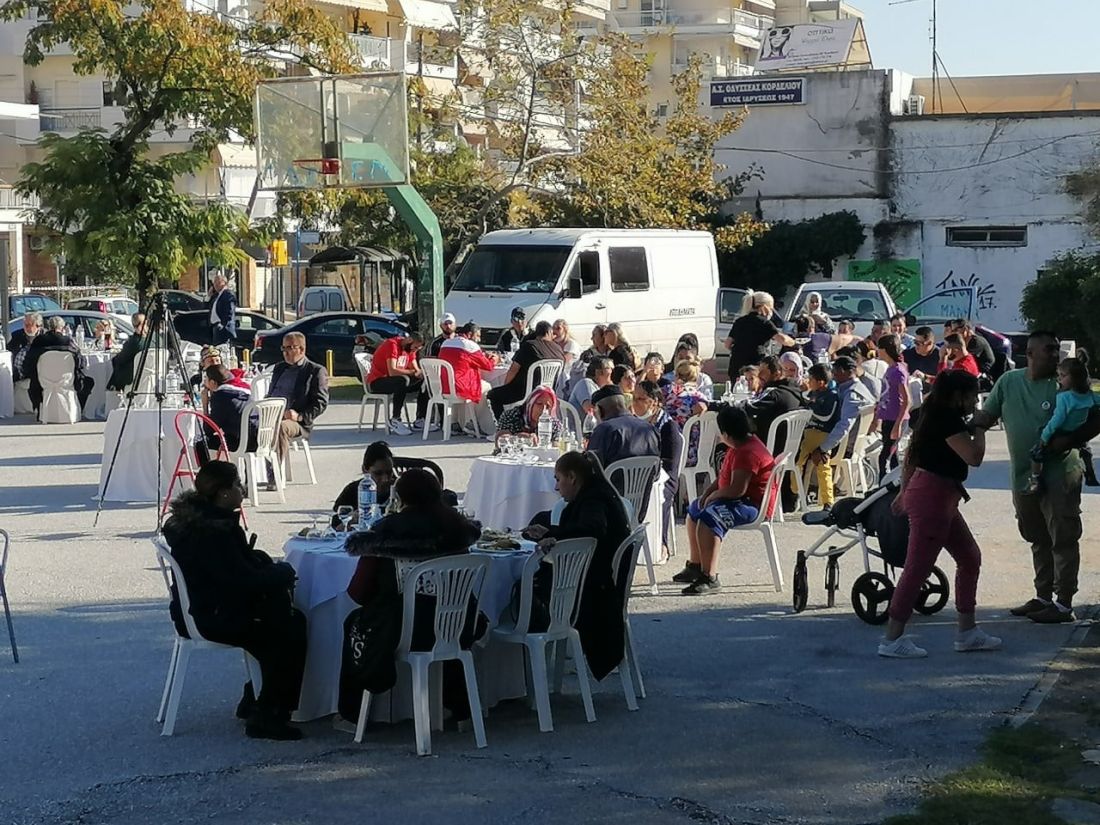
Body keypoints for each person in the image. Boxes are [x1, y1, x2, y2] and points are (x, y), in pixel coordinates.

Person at [162, 461, 307, 740]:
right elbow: (242, 580)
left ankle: (255, 698)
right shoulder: (214, 532)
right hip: (214, 615)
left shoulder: (200, 520)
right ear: (224, 492)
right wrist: (283, 573)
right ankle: (270, 712)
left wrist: (263, 565)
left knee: (280, 618)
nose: (242, 490)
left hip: (197, 607)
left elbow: (236, 567)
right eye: (237, 485)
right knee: (290, 626)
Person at [973, 331, 1100, 624]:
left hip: (1061, 473)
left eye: (1057, 350)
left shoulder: (1066, 385)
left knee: (1063, 536)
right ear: (1029, 353)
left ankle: (1064, 603)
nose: (1056, 356)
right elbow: (987, 415)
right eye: (1049, 350)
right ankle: (1043, 596)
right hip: (1023, 473)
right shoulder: (1009, 382)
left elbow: (1097, 415)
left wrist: (1070, 439)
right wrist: (962, 425)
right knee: (1036, 535)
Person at [341, 470, 483, 721]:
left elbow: (358, 593)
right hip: (457, 625)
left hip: (403, 630)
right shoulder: (457, 527)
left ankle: (352, 713)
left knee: (354, 621)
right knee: (445, 611)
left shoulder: (385, 531)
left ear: (401, 498)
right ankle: (459, 706)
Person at [877, 370, 998, 657]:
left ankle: (967, 631)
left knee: (970, 557)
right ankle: (892, 638)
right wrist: (979, 427)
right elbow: (974, 457)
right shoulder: (946, 419)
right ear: (957, 396)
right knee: (917, 567)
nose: (975, 402)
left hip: (939, 494)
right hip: (933, 496)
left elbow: (912, 454)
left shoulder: (933, 414)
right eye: (972, 396)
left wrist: (905, 491)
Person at [521, 451, 631, 680]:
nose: (556, 487)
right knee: (541, 520)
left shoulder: (593, 499)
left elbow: (592, 529)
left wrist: (554, 535)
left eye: (558, 479)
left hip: (593, 588)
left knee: (523, 586)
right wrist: (551, 531)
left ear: (572, 477)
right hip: (602, 580)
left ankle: (521, 663)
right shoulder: (597, 492)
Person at [673, 406, 776, 595]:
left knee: (709, 518)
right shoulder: (738, 445)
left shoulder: (748, 452)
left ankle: (709, 576)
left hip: (751, 505)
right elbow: (723, 478)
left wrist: (714, 496)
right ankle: (696, 565)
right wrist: (707, 494)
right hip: (737, 498)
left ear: (726, 433)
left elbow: (737, 489)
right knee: (695, 509)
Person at [1026, 352, 1097, 494]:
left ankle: (1035, 480)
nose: (1059, 379)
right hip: (1078, 430)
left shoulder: (1065, 397)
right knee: (1085, 449)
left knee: (1035, 453)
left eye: (1063, 376)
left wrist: (1044, 437)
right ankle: (1090, 472)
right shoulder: (1090, 396)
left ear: (1075, 378)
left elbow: (1057, 420)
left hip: (1062, 431)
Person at [633, 380, 684, 556]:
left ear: (654, 402)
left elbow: (670, 464)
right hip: (637, 475)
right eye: (633, 398)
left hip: (664, 478)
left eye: (640, 399)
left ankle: (659, 544)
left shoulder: (668, 427)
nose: (635, 404)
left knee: (656, 493)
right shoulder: (635, 424)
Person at [268, 331, 329, 466]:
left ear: (301, 349)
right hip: (272, 415)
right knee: (247, 424)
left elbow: (321, 403)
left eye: (289, 348)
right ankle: (249, 476)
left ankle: (274, 474)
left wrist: (299, 416)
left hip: (296, 422)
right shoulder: (279, 368)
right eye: (283, 348)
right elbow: (270, 394)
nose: (285, 352)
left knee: (281, 428)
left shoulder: (315, 371)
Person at [486, 321, 565, 420]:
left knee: (493, 396)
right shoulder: (558, 349)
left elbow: (513, 369)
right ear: (549, 332)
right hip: (548, 392)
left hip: (525, 391)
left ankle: (503, 426)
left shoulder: (530, 346)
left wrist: (506, 385)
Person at [809, 355, 875, 473]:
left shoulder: (851, 394)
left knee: (804, 443)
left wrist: (822, 448)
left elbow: (844, 425)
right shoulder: (860, 387)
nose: (833, 375)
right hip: (854, 442)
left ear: (843, 371)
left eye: (835, 371)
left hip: (844, 446)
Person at [793, 364, 840, 511]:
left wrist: (810, 408)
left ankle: (827, 501)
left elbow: (826, 417)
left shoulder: (832, 396)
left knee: (823, 467)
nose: (808, 381)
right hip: (809, 434)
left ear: (820, 382)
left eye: (811, 379)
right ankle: (795, 492)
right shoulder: (814, 393)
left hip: (823, 434)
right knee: (796, 462)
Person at [438, 322, 499, 435]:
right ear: (470, 334)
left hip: (443, 386)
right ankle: (472, 422)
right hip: (460, 386)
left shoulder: (446, 343)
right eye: (478, 335)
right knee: (487, 387)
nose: (479, 339)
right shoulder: (470, 345)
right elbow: (488, 366)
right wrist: (495, 359)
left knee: (457, 385)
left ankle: (454, 423)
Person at [24, 315, 94, 412]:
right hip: (66, 380)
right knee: (88, 382)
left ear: (48, 327)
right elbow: (81, 362)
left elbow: (28, 362)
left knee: (32, 382)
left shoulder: (38, 341)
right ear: (62, 327)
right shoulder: (68, 341)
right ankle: (78, 410)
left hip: (41, 383)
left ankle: (41, 410)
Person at [725, 290, 795, 381]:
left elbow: (727, 344)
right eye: (771, 308)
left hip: (736, 366)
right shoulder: (764, 322)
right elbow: (782, 339)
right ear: (765, 307)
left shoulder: (739, 321)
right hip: (755, 367)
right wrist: (794, 342)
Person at [366, 332, 426, 436]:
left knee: (424, 382)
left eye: (417, 349)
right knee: (402, 380)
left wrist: (420, 373)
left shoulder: (410, 349)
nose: (414, 350)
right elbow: (392, 371)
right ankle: (395, 419)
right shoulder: (392, 345)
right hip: (378, 381)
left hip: (395, 380)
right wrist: (412, 372)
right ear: (409, 340)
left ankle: (420, 419)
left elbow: (414, 366)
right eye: (415, 347)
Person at [586, 384, 659, 468]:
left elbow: (591, 466)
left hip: (609, 481)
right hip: (646, 481)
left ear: (600, 410)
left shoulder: (604, 430)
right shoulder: (651, 429)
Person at [871, 334, 911, 478]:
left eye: (879, 348)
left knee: (885, 457)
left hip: (897, 419)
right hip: (888, 417)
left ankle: (883, 484)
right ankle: (893, 484)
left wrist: (898, 424)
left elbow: (907, 400)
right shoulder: (891, 368)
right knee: (892, 457)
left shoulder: (898, 371)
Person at [744, 355, 804, 450]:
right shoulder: (795, 391)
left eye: (763, 372)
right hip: (789, 451)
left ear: (777, 374)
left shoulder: (775, 394)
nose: (759, 375)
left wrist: (721, 405)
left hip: (768, 448)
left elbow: (748, 407)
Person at [332, 441, 396, 527]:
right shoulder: (352, 490)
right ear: (365, 470)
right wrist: (351, 519)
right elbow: (336, 524)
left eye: (389, 472)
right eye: (378, 473)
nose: (385, 479)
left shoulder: (401, 489)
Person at [203, 364, 256, 453]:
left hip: (239, 442)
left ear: (212, 382)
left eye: (206, 379)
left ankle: (208, 467)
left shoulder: (220, 397)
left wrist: (205, 405)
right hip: (257, 438)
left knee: (201, 443)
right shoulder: (244, 391)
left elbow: (210, 429)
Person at [495, 386, 563, 446]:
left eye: (548, 406)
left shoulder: (553, 424)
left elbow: (559, 445)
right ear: (531, 404)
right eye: (539, 404)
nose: (543, 409)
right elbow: (499, 440)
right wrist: (519, 438)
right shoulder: (511, 416)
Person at [106, 312, 147, 391]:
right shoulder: (155, 339)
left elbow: (121, 359)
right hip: (151, 377)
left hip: (134, 377)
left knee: (116, 364)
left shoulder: (135, 342)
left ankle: (112, 389)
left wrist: (114, 360)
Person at [8, 311, 42, 381]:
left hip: (38, 374)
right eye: (26, 325)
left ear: (38, 325)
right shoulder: (16, 335)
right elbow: (9, 351)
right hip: (19, 376)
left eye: (31, 324)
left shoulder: (44, 337)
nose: (28, 327)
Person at [207, 272, 237, 346]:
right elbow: (207, 307)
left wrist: (223, 326)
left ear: (224, 283)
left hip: (222, 329)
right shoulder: (217, 295)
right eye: (214, 283)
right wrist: (209, 296)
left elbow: (230, 312)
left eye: (217, 282)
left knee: (222, 352)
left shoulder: (228, 294)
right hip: (215, 328)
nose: (215, 285)